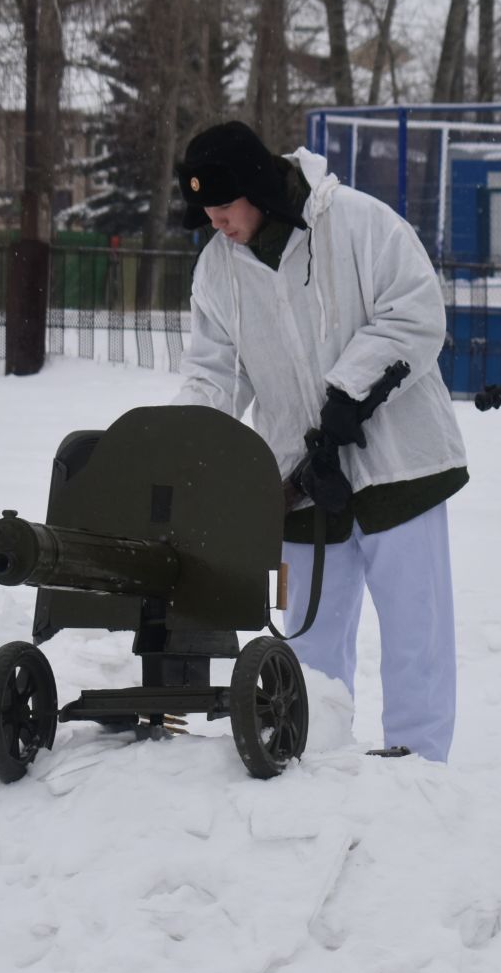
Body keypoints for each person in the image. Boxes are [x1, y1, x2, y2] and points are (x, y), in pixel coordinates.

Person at [171, 121, 468, 762]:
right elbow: (213, 371)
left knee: (417, 633)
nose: (215, 222)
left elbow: (416, 312)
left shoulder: (359, 224)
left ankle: (419, 766)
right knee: (307, 639)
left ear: (256, 188)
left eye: (223, 207)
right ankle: (310, 754)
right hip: (298, 480)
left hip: (400, 469)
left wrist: (347, 394)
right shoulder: (216, 271)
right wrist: (189, 442)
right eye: (206, 212)